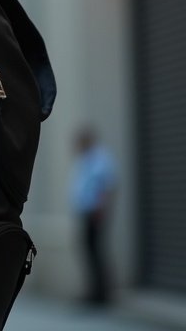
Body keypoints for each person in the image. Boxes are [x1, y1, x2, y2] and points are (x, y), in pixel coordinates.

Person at [70, 126, 116, 306]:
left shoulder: (100, 158)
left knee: (96, 252)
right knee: (89, 252)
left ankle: (102, 293)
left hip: (95, 213)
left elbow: (107, 186)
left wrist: (100, 210)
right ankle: (94, 291)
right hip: (86, 212)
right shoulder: (86, 159)